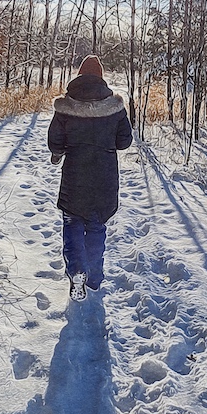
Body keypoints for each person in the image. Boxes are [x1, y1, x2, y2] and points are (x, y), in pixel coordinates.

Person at [47, 55, 133, 301]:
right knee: (97, 225)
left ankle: (76, 270)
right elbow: (124, 141)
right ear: (101, 77)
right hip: (105, 177)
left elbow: (55, 141)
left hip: (75, 176)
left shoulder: (66, 106)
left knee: (73, 221)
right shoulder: (115, 107)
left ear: (79, 75)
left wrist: (61, 151)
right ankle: (93, 278)